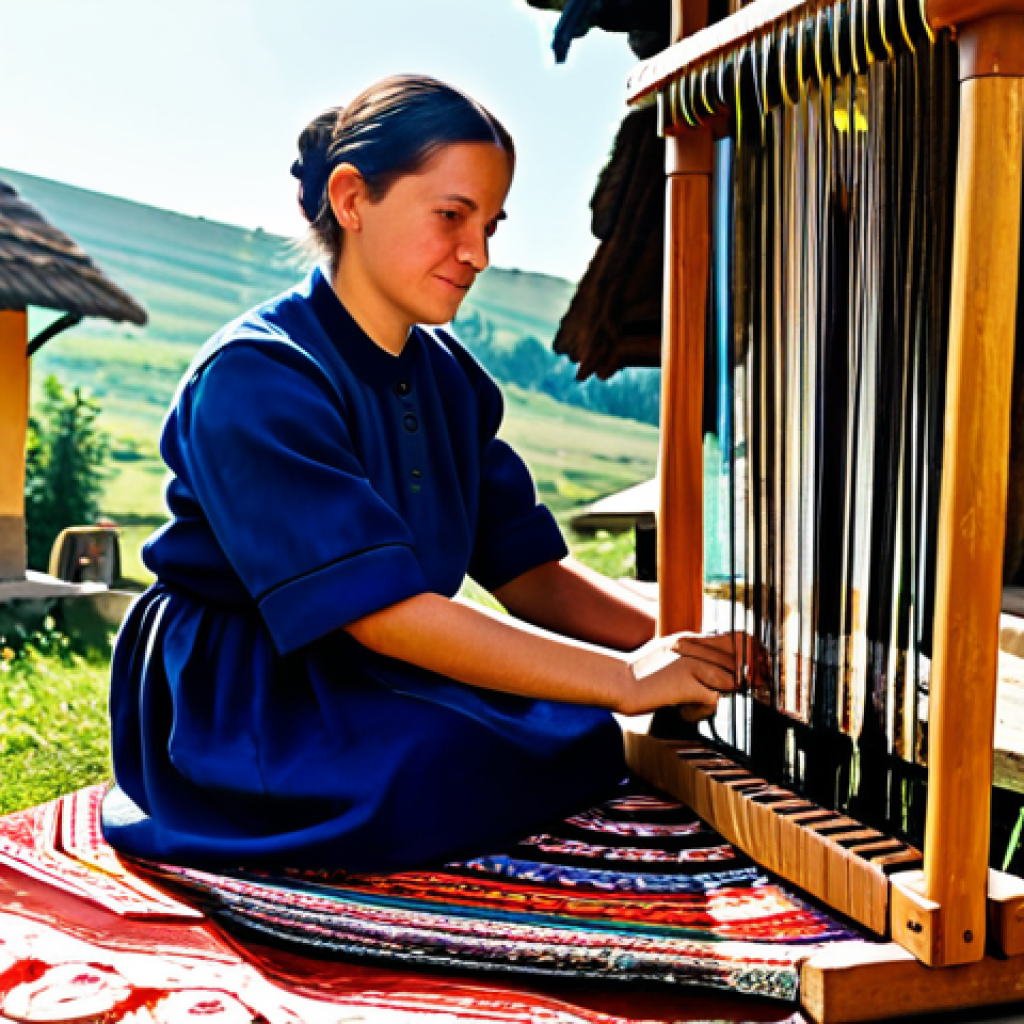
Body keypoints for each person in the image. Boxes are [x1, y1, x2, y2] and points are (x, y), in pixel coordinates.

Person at [102, 75, 739, 873]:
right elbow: (385, 617)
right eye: (451, 216)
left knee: (573, 739)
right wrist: (624, 679)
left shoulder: (451, 380)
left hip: (369, 660)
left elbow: (532, 574)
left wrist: (689, 640)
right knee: (451, 766)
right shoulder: (257, 377)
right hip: (247, 686)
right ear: (351, 198)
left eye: (490, 225)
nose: (476, 254)